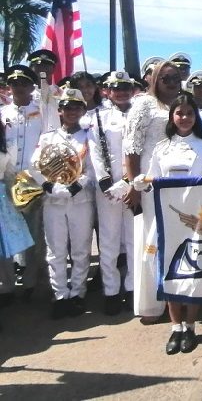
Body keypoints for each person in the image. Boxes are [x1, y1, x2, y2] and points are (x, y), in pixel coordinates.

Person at [135, 94, 202, 354]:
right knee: (170, 272)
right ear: (172, 117)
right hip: (167, 218)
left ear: (195, 117)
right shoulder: (161, 148)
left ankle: (191, 326)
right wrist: (141, 182)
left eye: (189, 113)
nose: (184, 118)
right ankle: (176, 328)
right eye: (179, 113)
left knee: (193, 273)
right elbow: (151, 178)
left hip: (195, 220)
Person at [124, 60, 182, 322]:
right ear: (154, 80)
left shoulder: (180, 104)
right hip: (149, 183)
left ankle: (177, 300)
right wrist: (134, 184)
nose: (171, 83)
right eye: (165, 78)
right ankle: (151, 305)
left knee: (175, 240)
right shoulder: (143, 104)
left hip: (175, 183)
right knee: (151, 241)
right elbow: (131, 148)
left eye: (175, 78)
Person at [30, 88, 96, 320]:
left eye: (76, 107)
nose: (71, 111)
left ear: (82, 110)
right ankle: (60, 296)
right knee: (55, 251)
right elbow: (35, 165)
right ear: (60, 110)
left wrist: (79, 185)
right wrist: (49, 186)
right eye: (67, 107)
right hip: (53, 201)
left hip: (80, 200)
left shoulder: (89, 137)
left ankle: (78, 293)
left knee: (80, 249)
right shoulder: (48, 137)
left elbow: (92, 167)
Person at [88, 71, 136, 315]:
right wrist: (105, 181)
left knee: (133, 240)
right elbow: (95, 150)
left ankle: (132, 288)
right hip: (107, 189)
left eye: (126, 87)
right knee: (108, 242)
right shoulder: (97, 115)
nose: (121, 92)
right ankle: (111, 291)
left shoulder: (139, 113)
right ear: (107, 90)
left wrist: (130, 182)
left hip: (133, 187)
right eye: (116, 88)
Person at [0, 66, 48, 303]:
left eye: (23, 83)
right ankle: (7, 284)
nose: (18, 88)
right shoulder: (2, 112)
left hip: (32, 180)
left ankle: (31, 281)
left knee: (32, 233)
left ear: (32, 86)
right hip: (6, 180)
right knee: (5, 235)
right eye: (13, 83)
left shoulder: (42, 112)